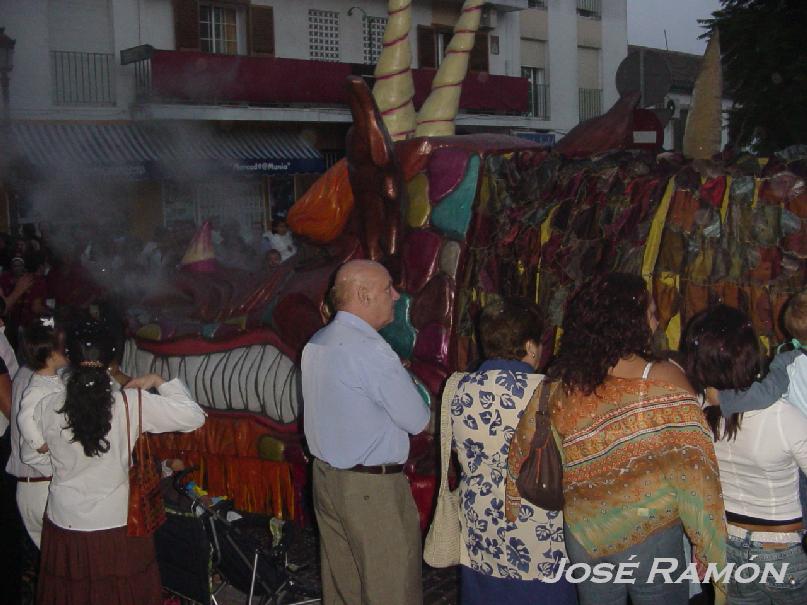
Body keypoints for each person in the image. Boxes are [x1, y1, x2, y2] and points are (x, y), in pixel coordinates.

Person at [543, 273, 727, 605]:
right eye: (652, 313)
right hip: (649, 536)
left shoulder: (563, 384)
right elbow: (694, 470)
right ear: (630, 323)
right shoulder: (661, 379)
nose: (656, 323)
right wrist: (706, 539)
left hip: (584, 532)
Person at [32, 320, 206, 605]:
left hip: (66, 521)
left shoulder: (46, 405)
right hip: (117, 523)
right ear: (111, 358)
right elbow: (194, 417)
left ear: (70, 357)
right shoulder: (130, 403)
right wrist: (158, 381)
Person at [302, 259, 429, 605]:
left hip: (327, 480)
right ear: (362, 294)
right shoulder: (370, 350)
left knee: (344, 590)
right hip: (370, 492)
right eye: (388, 287)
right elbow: (418, 420)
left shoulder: (319, 340)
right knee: (391, 591)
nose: (396, 295)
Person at [451, 299, 576, 604]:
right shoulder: (552, 392)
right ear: (531, 347)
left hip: (480, 525)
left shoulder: (459, 387)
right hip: (539, 529)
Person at [683, 305, 807, 603]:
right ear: (749, 354)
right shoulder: (780, 415)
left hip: (728, 547)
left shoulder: (694, 411)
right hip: (782, 551)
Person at [8, 323, 68, 548]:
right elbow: (24, 418)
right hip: (40, 486)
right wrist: (40, 443)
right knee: (58, 562)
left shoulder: (54, 380)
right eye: (64, 347)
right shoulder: (34, 384)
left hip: (42, 484)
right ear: (51, 354)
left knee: (56, 562)